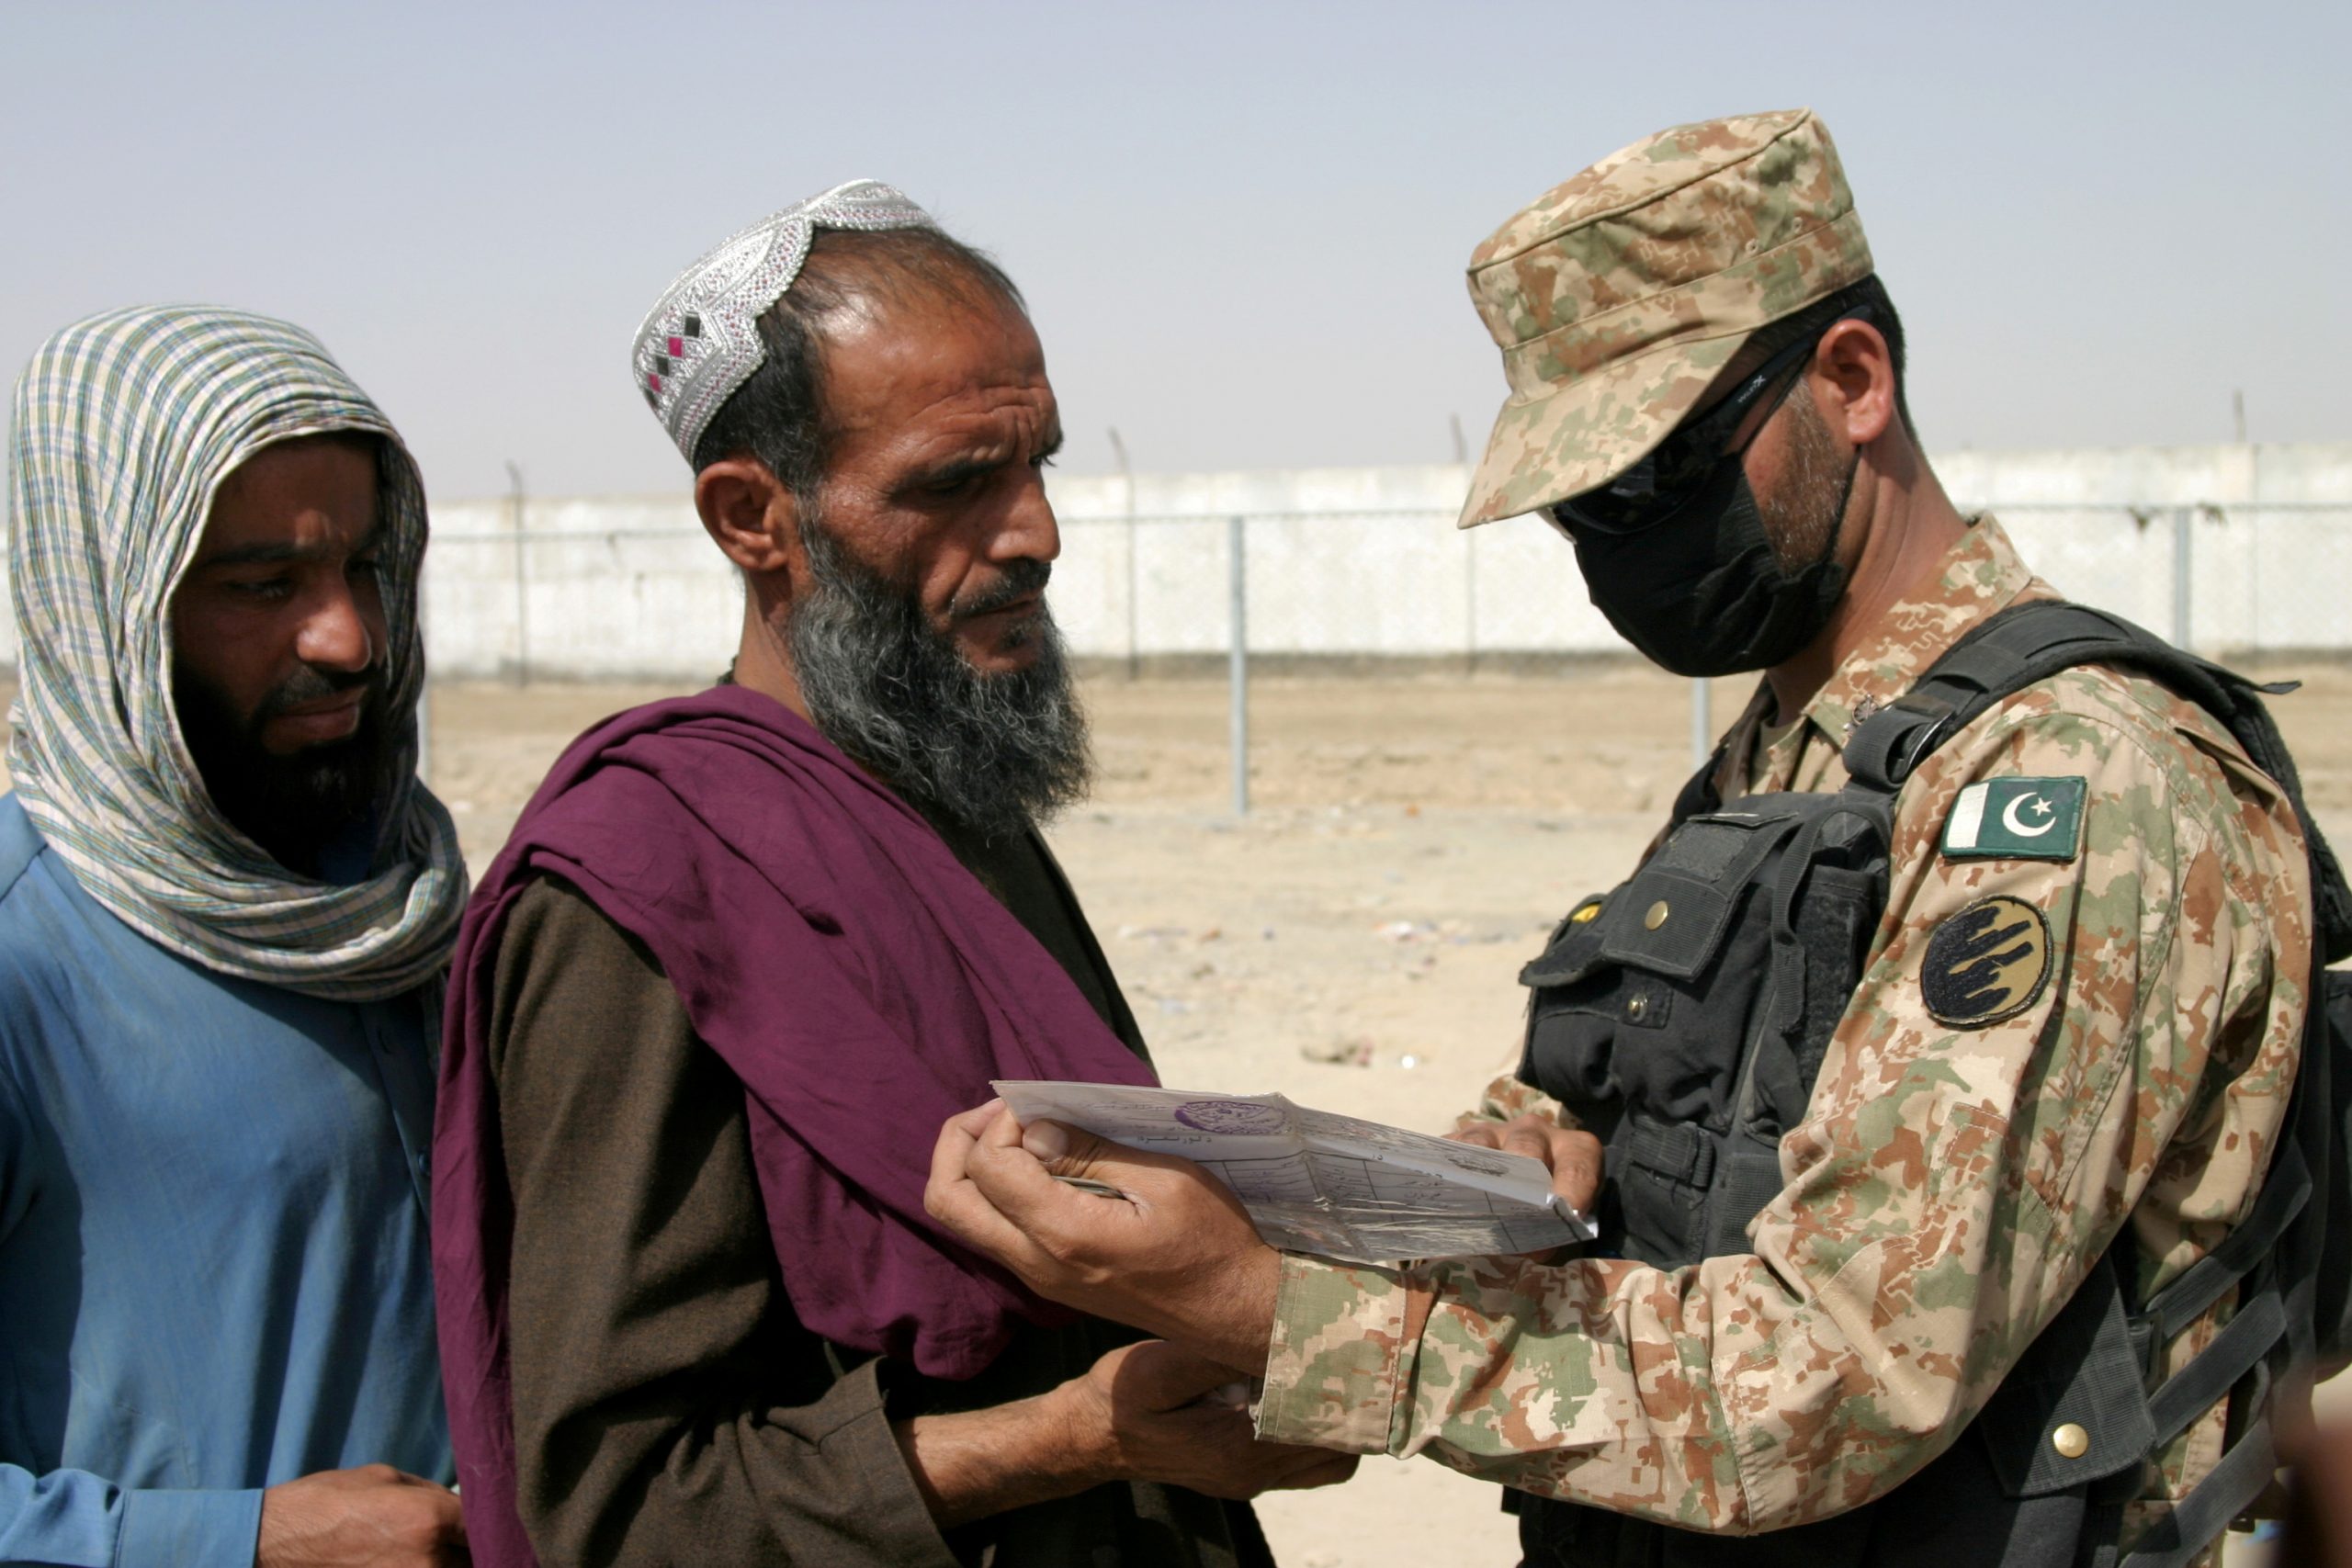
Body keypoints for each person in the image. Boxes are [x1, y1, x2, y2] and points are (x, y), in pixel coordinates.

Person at [927, 110, 2316, 1565]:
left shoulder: (2069, 784)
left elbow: (1839, 1376)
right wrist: (1511, 1161)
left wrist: (1280, 1314)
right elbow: (1688, 1113)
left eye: (1661, 477)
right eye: (1581, 508)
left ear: (1851, 381)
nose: (1624, 543)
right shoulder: (1797, 754)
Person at [431, 180, 1351, 1568]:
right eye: (953, 484)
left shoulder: (952, 801)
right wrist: (1073, 1440)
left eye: (1038, 461)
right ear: (754, 518)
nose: (1036, 532)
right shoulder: (640, 888)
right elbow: (615, 1514)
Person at [0, 305, 470, 1566]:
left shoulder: (408, 899)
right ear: (104, 598)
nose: (348, 640)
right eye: (263, 586)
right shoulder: (21, 959)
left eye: (364, 569)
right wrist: (238, 1541)